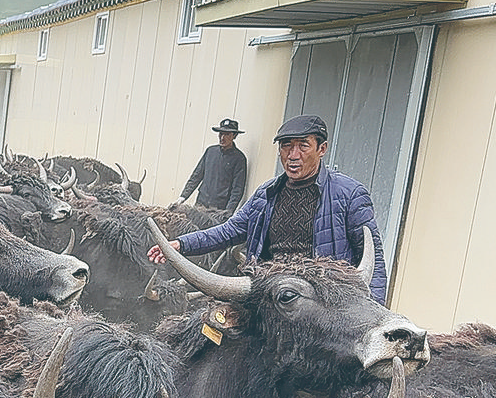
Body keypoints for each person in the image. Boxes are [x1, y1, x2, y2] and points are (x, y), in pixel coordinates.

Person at [148, 114, 388, 302]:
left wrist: (374, 311)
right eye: (286, 146)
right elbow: (228, 232)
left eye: (303, 146)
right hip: (270, 296)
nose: (293, 155)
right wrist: (180, 244)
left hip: (322, 304)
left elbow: (373, 258)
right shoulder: (266, 194)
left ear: (321, 149)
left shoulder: (349, 194)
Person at [176, 118, 248, 213]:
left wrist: (228, 212)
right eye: (221, 133)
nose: (222, 137)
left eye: (227, 134)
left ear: (234, 136)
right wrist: (183, 197)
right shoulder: (210, 151)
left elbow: (237, 190)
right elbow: (196, 176)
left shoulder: (239, 158)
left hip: (218, 210)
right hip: (200, 204)